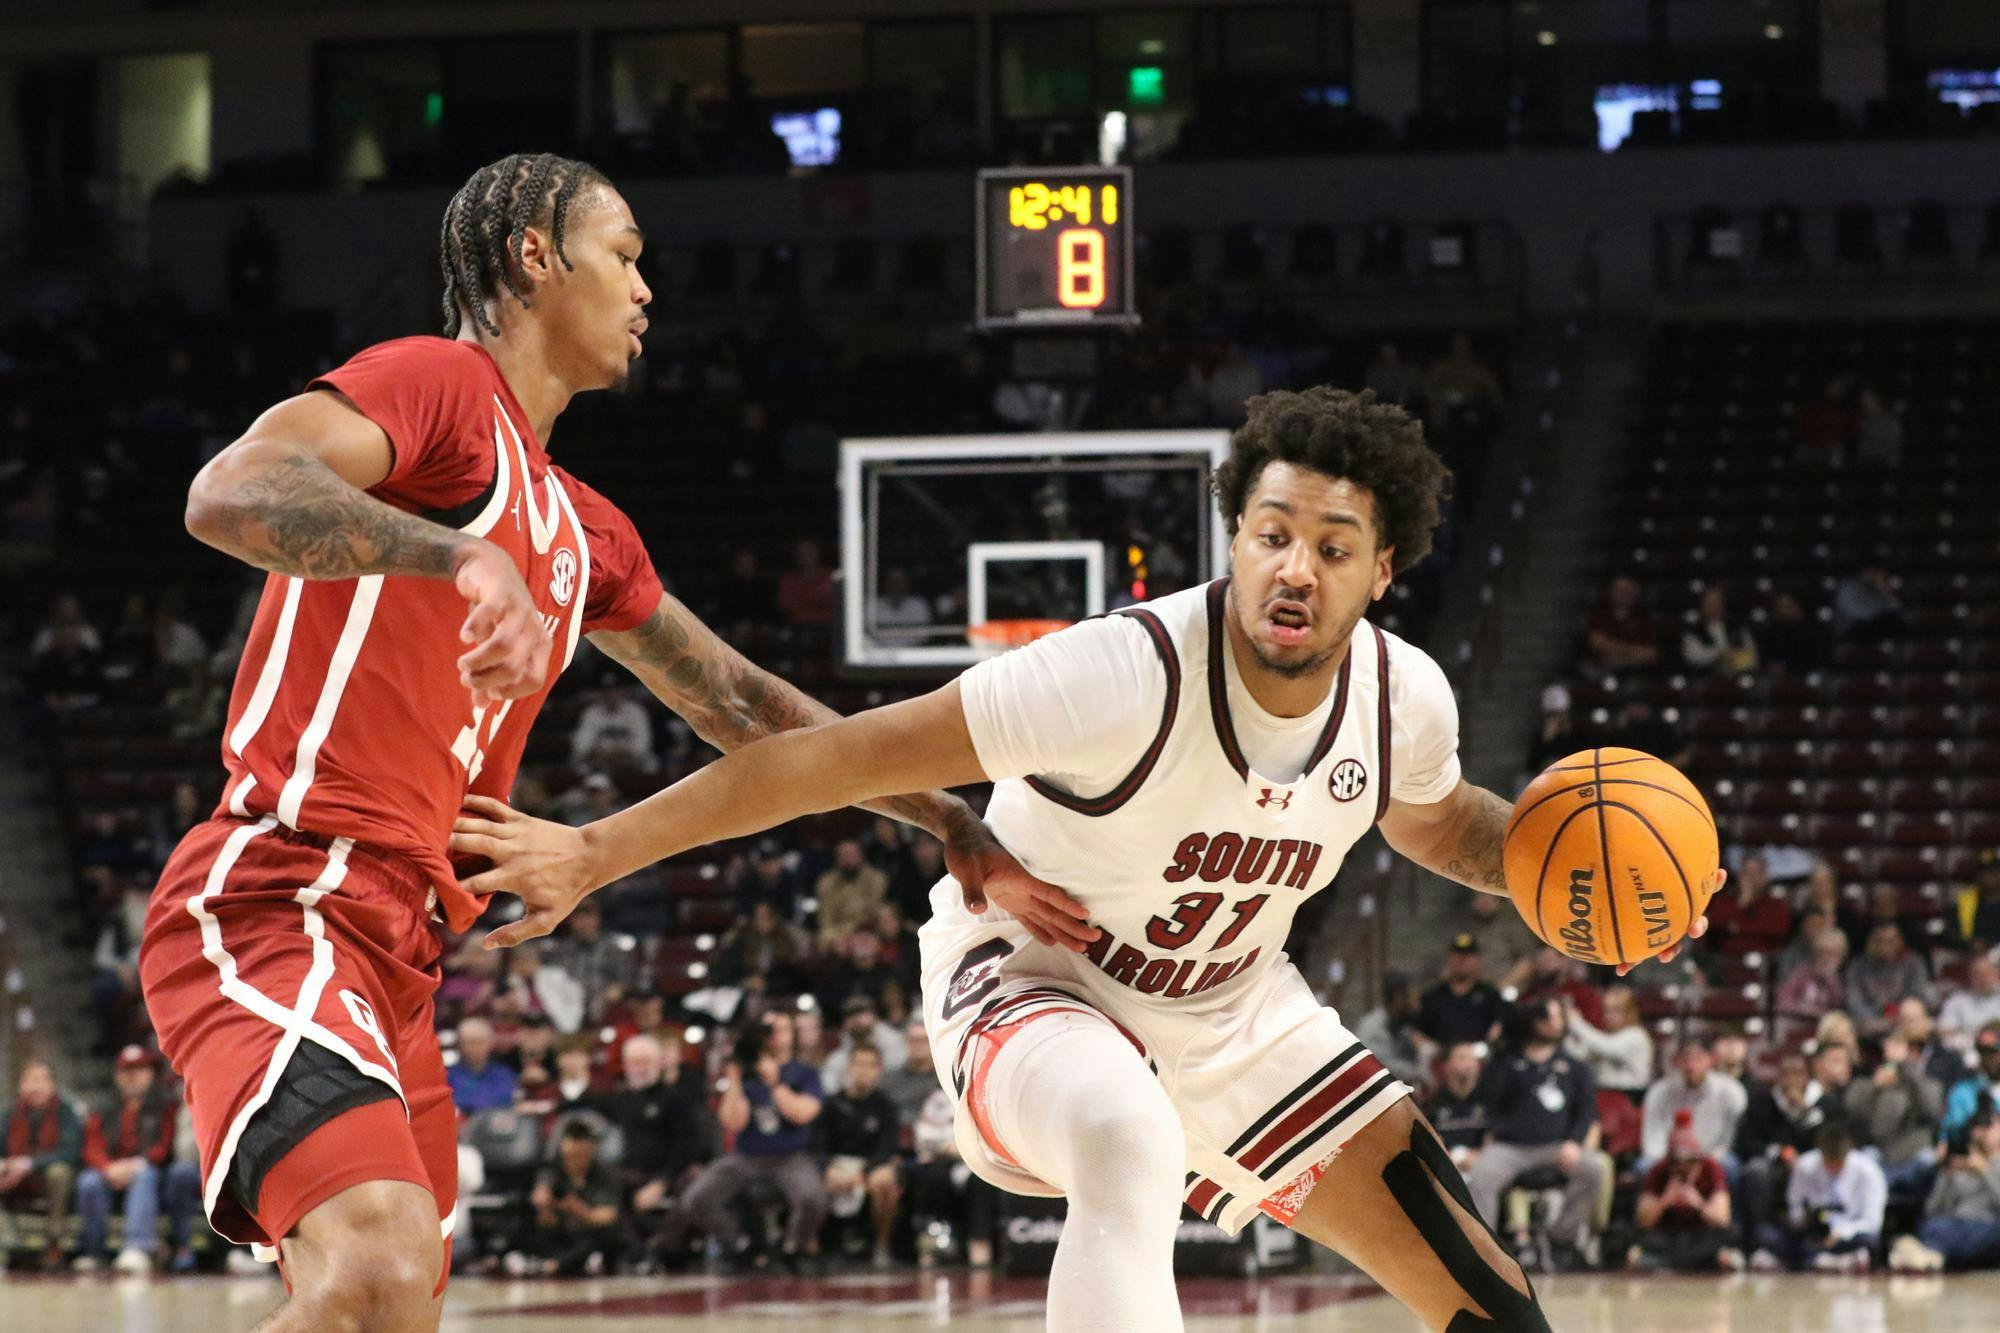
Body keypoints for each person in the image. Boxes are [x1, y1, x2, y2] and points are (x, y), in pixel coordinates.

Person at [458, 388, 1716, 1329]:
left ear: (1379, 572)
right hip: (1030, 983)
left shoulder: (1406, 703)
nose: (1293, 566)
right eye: (1271, 531)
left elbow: (1453, 831)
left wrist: (1616, 900)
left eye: (1331, 547)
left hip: (1233, 1013)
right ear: (1234, 535)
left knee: (1488, 1302)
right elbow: (822, 761)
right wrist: (594, 847)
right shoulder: (1119, 673)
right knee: (1124, 1135)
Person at [142, 150, 1049, 1332]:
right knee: (373, 1270)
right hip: (283, 893)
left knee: (387, 1307)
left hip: (405, 962)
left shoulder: (582, 527)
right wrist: (458, 555)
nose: (644, 288)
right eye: (621, 255)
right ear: (534, 256)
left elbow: (743, 703)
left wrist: (945, 816)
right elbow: (232, 488)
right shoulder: (439, 385)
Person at [660, 1011, 827, 1272]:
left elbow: (803, 1114)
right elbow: (733, 1123)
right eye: (767, 1031)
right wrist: (736, 1078)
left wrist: (774, 1083)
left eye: (780, 1029)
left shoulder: (803, 1073)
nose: (773, 1037)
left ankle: (793, 1247)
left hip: (789, 1154)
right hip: (747, 1155)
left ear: (792, 1035)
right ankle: (740, 1244)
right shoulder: (746, 1072)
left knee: (812, 1198)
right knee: (696, 1199)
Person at [1464, 999, 1607, 1268]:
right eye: (1547, 1017)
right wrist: (1497, 1051)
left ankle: (1561, 1238)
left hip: (1556, 1146)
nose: (1555, 1023)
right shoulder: (1507, 1062)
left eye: (1558, 1017)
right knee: (1482, 1175)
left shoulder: (1575, 1067)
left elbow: (1586, 1110)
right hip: (1510, 1147)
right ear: (1532, 1022)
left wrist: (1574, 1143)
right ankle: (1484, 1251)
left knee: (1593, 1169)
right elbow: (1485, 1097)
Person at [74, 1047, 202, 1275]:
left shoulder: (166, 1104)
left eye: (139, 1070)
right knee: (88, 1182)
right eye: (125, 1070)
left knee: (145, 1176)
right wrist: (107, 1167)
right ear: (117, 1075)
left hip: (153, 1176)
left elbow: (166, 1144)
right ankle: (93, 1252)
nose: (132, 1076)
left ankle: (137, 1247)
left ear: (151, 1073)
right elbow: (92, 1145)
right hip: (111, 1174)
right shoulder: (103, 1107)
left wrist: (138, 1164)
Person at [1736, 1050, 1829, 1271]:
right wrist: (1779, 1153)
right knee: (1755, 1171)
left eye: (1798, 1074)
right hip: (1775, 1166)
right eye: (1786, 1074)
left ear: (1808, 1077)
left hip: (1814, 1168)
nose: (1792, 1080)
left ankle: (1820, 1240)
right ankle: (1762, 1241)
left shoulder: (1824, 1104)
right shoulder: (1763, 1102)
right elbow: (1747, 1143)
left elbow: (1831, 1142)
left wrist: (1806, 1112)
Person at [820, 1044, 905, 1267]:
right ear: (848, 1068)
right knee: (810, 1180)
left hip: (870, 1164)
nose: (864, 1071)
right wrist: (828, 1168)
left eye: (871, 1065)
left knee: (885, 1182)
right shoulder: (832, 1104)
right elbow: (817, 1145)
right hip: (836, 1164)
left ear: (880, 1070)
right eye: (859, 1064)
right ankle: (818, 1247)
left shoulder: (885, 1105)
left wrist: (863, 1172)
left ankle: (881, 1245)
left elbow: (888, 1145)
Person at [1768, 1120, 1885, 1274]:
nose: (1833, 1168)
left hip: (1849, 1235)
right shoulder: (1804, 1167)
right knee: (1773, 1237)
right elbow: (1794, 1206)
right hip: (1814, 1236)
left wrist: (1841, 1232)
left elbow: (1872, 1222)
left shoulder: (1869, 1172)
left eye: (1838, 1163)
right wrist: (1805, 1222)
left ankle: (1829, 1261)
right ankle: (1831, 1261)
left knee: (1870, 1242)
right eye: (1829, 1162)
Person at [1894, 1105, 2000, 1273]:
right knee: (1934, 1225)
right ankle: (1928, 1255)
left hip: (1988, 1225)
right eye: (1978, 1128)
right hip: (1954, 1223)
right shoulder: (1961, 1164)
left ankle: (1928, 1255)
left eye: (1989, 1127)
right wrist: (1945, 1177)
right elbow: (1933, 1209)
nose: (1984, 1134)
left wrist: (1985, 1171)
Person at [0, 1061, 83, 1272]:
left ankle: (54, 1243)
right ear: (20, 1085)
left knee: (60, 1172)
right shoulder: (10, 1113)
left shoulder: (66, 1111)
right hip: (14, 1179)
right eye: (29, 1080)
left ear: (52, 1084)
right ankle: (7, 1242)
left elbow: (70, 1153)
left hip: (49, 1180)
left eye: (41, 1080)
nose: (34, 1086)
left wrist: (29, 1164)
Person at [1630, 1111, 1737, 1272]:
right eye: (1676, 1163)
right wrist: (1664, 1201)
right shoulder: (1658, 1170)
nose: (1682, 1169)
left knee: (1728, 1236)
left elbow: (1722, 1219)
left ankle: (1670, 1262)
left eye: (1690, 1163)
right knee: (1637, 1238)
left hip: (1700, 1235)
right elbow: (1643, 1221)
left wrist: (1697, 1203)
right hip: (1668, 1235)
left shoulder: (1711, 1168)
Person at [1845, 1032, 1943, 1196]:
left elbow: (1931, 1109)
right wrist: (1874, 1087)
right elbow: (1852, 1112)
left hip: (1913, 1156)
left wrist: (1907, 1069)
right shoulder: (1865, 1084)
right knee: (1860, 1159)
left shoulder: (1928, 1084)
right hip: (1879, 1154)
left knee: (1927, 1160)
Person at [520, 1121, 623, 1277]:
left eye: (580, 1156)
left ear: (591, 1150)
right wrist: (545, 1207)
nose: (574, 1162)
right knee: (522, 1224)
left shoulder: (605, 1174)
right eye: (570, 1157)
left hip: (587, 1233)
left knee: (607, 1235)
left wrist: (582, 1211)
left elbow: (609, 1215)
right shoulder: (552, 1170)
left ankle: (558, 1263)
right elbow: (541, 1206)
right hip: (561, 1233)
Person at [1640, 1038, 1747, 1178]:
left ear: (1711, 1060)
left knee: (1729, 1166)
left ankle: (1726, 1201)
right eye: (1686, 1059)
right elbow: (1652, 1137)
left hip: (1714, 1156)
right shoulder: (1659, 1091)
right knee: (1644, 1167)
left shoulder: (1731, 1090)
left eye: (1698, 1059)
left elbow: (1731, 1139)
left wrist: (1705, 1160)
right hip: (1669, 1157)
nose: (1691, 1066)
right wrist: (1667, 1160)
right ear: (1676, 1061)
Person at [1562, 986, 1652, 1107]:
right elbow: (1578, 1055)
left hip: (1629, 1100)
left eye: (1616, 1010)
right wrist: (1564, 1027)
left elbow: (1606, 1047)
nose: (1609, 1015)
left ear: (1629, 1011)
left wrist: (1577, 1023)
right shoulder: (1607, 1037)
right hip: (1604, 1097)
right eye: (1606, 1010)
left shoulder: (1636, 1035)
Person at [1846, 922, 1935, 1038]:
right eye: (1879, 940)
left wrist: (1897, 1017)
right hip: (1869, 1023)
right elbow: (1855, 1001)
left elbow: (1917, 994)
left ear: (1900, 941)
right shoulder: (1857, 966)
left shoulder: (1913, 963)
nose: (1884, 945)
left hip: (1903, 1020)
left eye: (1890, 941)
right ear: (1870, 942)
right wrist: (1877, 1021)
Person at [1419, 934, 1509, 1047]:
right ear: (1449, 958)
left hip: (1480, 1059)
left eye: (1467, 956)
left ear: (1477, 960)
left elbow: (1498, 1028)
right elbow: (1419, 1032)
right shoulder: (1433, 996)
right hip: (1442, 1059)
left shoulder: (1490, 996)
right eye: (1457, 955)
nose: (1462, 960)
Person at [1354, 971, 1435, 1092]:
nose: (1418, 1006)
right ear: (1399, 998)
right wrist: (1420, 1075)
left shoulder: (1402, 1027)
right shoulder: (1372, 1028)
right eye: (1414, 998)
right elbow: (1382, 1068)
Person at [1421, 1042, 1492, 1171]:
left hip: (1481, 1165)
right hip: (1445, 1167)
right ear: (1446, 1065)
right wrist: (1447, 1158)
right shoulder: (1433, 1103)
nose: (1468, 1064)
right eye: (1461, 1058)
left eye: (1472, 1059)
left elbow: (1494, 1138)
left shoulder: (1489, 1100)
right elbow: (1429, 1140)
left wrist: (1478, 1156)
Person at [821, 994, 910, 1090]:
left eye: (861, 1013)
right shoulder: (839, 1055)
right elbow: (829, 1087)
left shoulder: (893, 1041)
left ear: (874, 1016)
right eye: (850, 1015)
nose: (857, 1019)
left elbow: (901, 1073)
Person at [815, 838, 890, 949]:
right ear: (837, 858)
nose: (848, 860)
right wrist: (836, 936)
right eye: (843, 856)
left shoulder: (876, 879)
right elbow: (826, 919)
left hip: (869, 932)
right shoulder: (826, 883)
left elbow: (873, 912)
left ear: (861, 855)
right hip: (837, 935)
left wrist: (851, 932)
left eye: (851, 855)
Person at [1582, 575, 1659, 671]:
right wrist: (1632, 651)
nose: (1623, 594)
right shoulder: (1599, 615)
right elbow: (1597, 643)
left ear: (1636, 594)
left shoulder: (1643, 618)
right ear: (1611, 592)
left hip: (1635, 672)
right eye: (1619, 590)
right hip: (1601, 671)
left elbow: (1651, 653)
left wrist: (1617, 652)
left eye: (1628, 591)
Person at [1679, 586, 1757, 676]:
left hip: (1738, 677)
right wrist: (1719, 655)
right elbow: (1692, 657)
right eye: (1710, 603)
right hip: (1706, 679)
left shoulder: (1737, 627)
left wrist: (1734, 657)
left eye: (1717, 602)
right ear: (1702, 606)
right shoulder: (1693, 631)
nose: (1714, 606)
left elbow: (1752, 655)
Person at [1942, 1024, 2000, 1140]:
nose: (1993, 1058)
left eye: (1996, 1052)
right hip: (1975, 1148)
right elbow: (1950, 1131)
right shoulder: (1964, 1090)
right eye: (1986, 1053)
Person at [1941, 955, 2000, 1051]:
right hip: (1967, 1053)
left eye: (1988, 973)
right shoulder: (1957, 1001)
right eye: (1979, 974)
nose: (1984, 978)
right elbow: (1945, 1031)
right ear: (1971, 977)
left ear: (1997, 974)